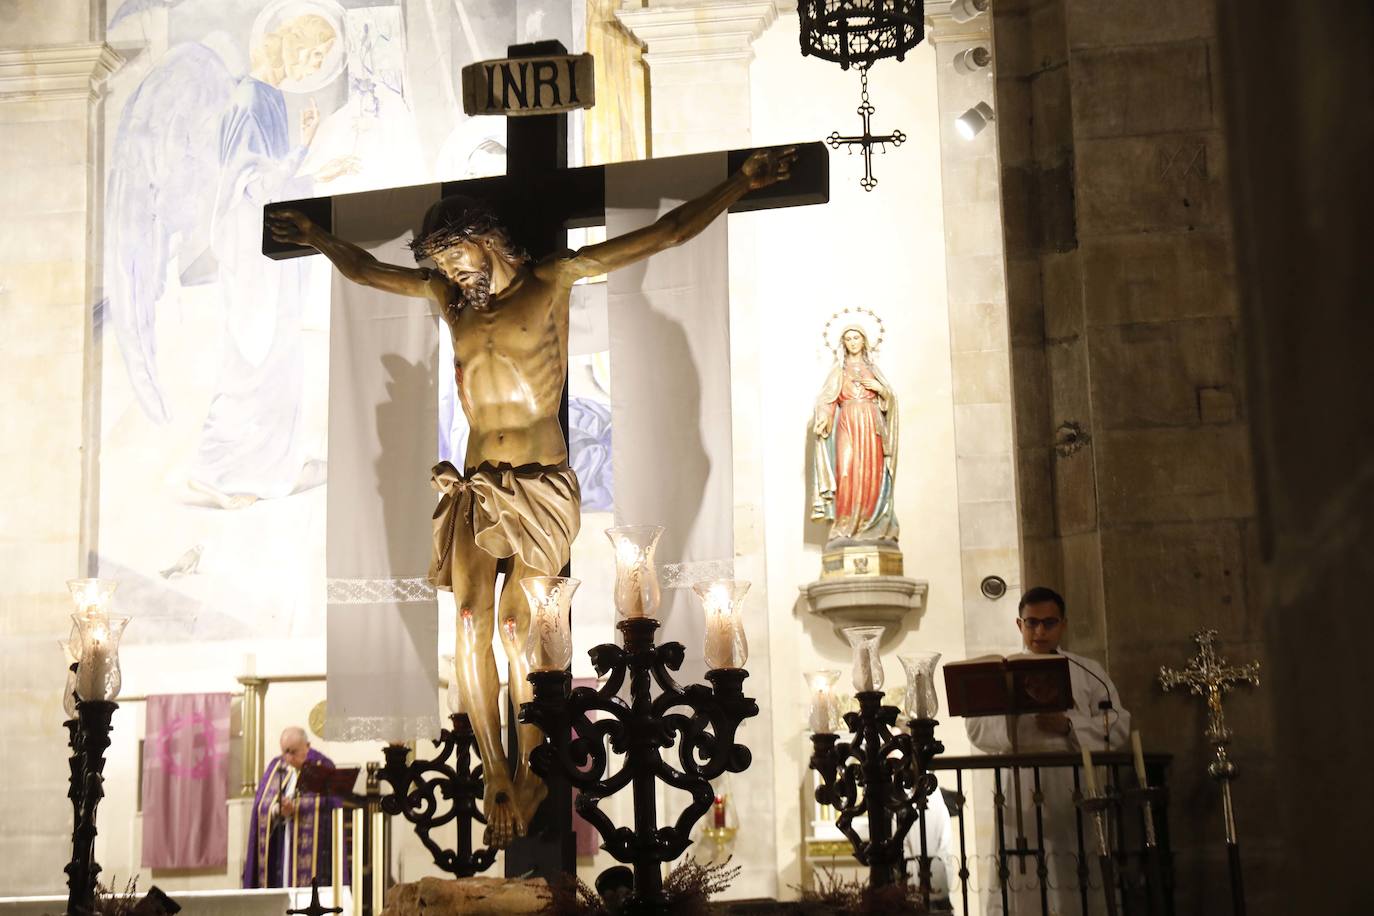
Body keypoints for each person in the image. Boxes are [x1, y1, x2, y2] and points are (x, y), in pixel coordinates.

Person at [266, 147, 796, 848]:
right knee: (465, 623)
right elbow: (366, 271)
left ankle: (534, 762)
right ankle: (493, 770)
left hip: (540, 488)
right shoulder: (445, 301)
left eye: (460, 262)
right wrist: (317, 238)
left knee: (519, 632)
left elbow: (663, 236)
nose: (454, 279)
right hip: (473, 485)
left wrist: (737, 185)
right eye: (444, 270)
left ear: (490, 243)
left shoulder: (555, 279)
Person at [965, 587, 1131, 915]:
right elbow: (976, 729)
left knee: (1073, 863)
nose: (1039, 631)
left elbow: (1118, 723)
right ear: (1019, 624)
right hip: (1021, 781)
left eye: (1049, 623)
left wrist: (1069, 726)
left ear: (1063, 625)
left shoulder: (1087, 670)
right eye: (1032, 623)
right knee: (1022, 869)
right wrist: (1017, 727)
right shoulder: (1002, 672)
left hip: (1073, 782)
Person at [811, 325, 899, 543]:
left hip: (871, 423)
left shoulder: (873, 369)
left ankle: (871, 524)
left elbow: (891, 399)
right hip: (848, 421)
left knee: (871, 472)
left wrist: (881, 389)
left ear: (864, 341)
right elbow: (826, 399)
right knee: (846, 471)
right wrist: (823, 416)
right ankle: (845, 524)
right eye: (848, 338)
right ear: (843, 343)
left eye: (856, 338)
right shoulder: (839, 370)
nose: (852, 342)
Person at [242, 726, 342, 888]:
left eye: (293, 752)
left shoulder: (322, 765)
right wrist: (277, 810)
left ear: (307, 746)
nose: (288, 758)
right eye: (284, 752)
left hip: (314, 850)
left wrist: (297, 807)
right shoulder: (276, 766)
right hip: (283, 842)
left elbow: (332, 803)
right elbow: (261, 806)